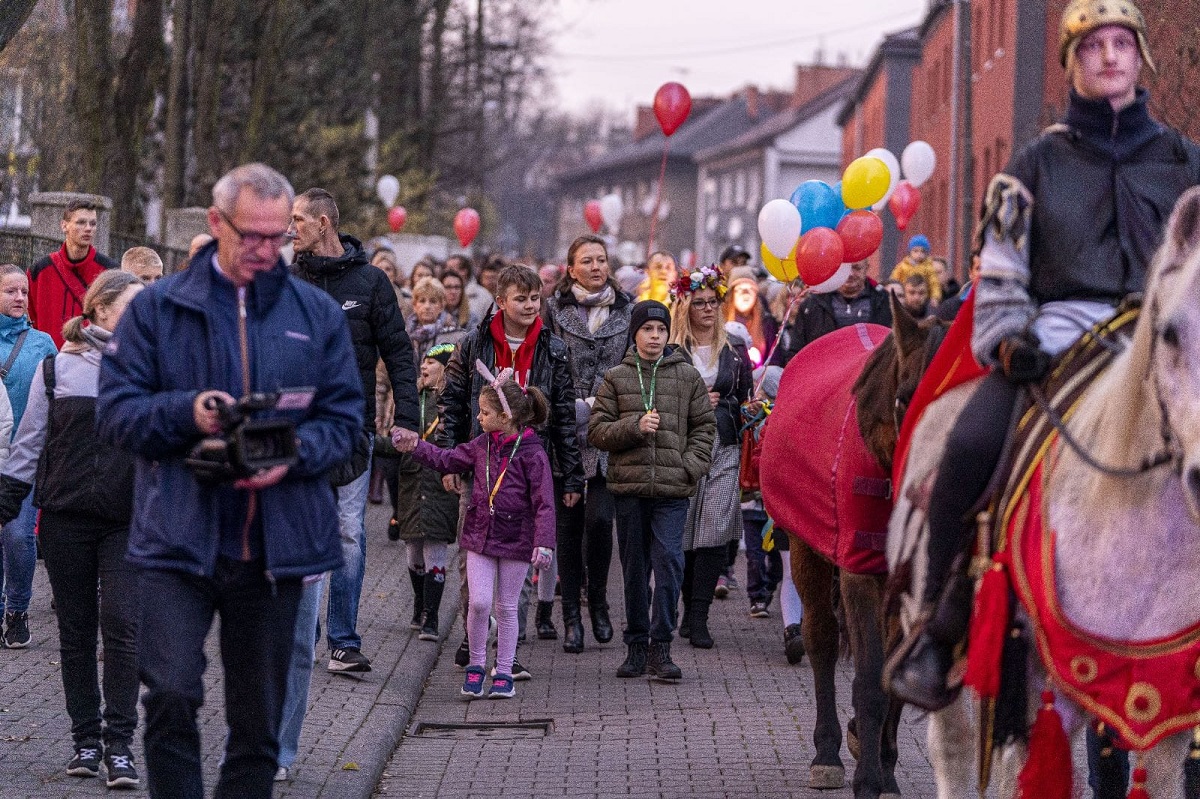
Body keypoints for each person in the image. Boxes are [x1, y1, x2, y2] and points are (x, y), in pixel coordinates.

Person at [889, 0, 1200, 716]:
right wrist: (1008, 337)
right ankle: (939, 626)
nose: (1110, 56)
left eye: (1123, 43)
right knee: (968, 444)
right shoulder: (1031, 165)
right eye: (1093, 47)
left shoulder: (1185, 160)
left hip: (1169, 343)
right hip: (1059, 337)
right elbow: (998, 268)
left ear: (1141, 57)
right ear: (1070, 65)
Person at [96, 163, 363, 799]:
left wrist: (292, 451)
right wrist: (187, 413)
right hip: (177, 538)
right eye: (254, 237)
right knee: (169, 695)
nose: (269, 252)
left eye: (281, 238)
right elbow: (115, 411)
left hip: (277, 546)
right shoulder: (157, 310)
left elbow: (347, 420)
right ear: (217, 225)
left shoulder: (317, 314)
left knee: (257, 725)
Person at [0, 270, 142, 786]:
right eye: (131, 306)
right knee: (76, 634)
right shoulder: (55, 370)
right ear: (99, 308)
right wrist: (7, 500)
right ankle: (86, 741)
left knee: (123, 626)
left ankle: (120, 746)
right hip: (65, 521)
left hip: (128, 520)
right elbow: (28, 444)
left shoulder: (149, 371)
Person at [290, 187, 418, 675]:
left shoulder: (371, 283)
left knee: (347, 533)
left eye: (299, 219)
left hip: (353, 429)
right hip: (298, 429)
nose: (290, 228)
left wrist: (406, 418)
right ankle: (303, 635)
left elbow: (399, 354)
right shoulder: (287, 282)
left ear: (324, 223)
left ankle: (342, 640)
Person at [440, 264, 583, 676]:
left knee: (515, 562)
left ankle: (508, 646)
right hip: (482, 462)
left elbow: (562, 415)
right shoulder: (475, 343)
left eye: (535, 298)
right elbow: (452, 400)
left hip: (526, 463)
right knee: (476, 553)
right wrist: (451, 455)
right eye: (521, 299)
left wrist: (570, 474)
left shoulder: (553, 349)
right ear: (500, 301)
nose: (529, 305)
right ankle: (474, 633)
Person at [393, 373, 556, 700]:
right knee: (479, 604)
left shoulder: (532, 453)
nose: (478, 417)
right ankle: (476, 666)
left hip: (516, 540)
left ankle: (505, 671)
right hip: (479, 535)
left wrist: (544, 542)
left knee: (507, 607)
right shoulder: (480, 445)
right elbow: (447, 458)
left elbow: (544, 501)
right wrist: (416, 446)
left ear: (505, 415)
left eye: (483, 412)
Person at [589, 300, 716, 680]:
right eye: (648, 329)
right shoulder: (616, 377)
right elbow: (597, 430)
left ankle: (662, 646)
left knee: (669, 563)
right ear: (636, 333)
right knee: (634, 569)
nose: (655, 336)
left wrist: (688, 466)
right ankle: (636, 646)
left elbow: (704, 428)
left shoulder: (687, 376)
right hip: (629, 489)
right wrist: (633, 426)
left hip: (672, 491)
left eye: (661, 330)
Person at [543, 234, 633, 652]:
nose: (596, 267)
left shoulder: (627, 309)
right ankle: (571, 618)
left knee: (600, 521)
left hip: (608, 433)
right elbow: (542, 362)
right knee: (568, 527)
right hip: (564, 433)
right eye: (587, 261)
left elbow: (634, 365)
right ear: (571, 267)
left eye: (602, 260)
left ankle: (598, 599)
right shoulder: (554, 311)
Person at [670, 267, 751, 649]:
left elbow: (744, 400)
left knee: (715, 529)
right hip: (681, 448)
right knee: (684, 530)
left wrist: (731, 405)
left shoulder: (733, 351)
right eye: (698, 303)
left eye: (711, 302)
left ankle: (700, 616)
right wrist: (691, 398)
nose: (706, 309)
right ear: (684, 306)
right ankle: (687, 607)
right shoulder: (670, 352)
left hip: (724, 446)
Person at [0, 263, 58, 649]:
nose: (20, 298)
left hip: (24, 458)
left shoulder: (42, 344)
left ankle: (18, 608)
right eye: (10, 291)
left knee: (19, 537)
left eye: (24, 291)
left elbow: (58, 398)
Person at [29, 200, 118, 347]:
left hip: (92, 359)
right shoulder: (39, 272)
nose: (88, 228)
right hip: (48, 361)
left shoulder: (110, 272)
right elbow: (28, 320)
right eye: (81, 222)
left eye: (93, 223)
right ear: (64, 225)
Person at [785, 260, 893, 359]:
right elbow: (796, 350)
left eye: (856, 268)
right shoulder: (812, 304)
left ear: (866, 268)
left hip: (870, 372)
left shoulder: (885, 301)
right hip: (825, 372)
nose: (850, 274)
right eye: (844, 269)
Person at [724, 266, 779, 367]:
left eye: (750, 289)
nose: (745, 293)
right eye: (740, 289)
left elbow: (775, 359)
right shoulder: (721, 322)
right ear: (732, 294)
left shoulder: (767, 322)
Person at [890, 234, 942, 304]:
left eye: (922, 251)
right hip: (905, 296)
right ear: (910, 252)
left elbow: (934, 284)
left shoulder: (929, 268)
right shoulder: (902, 266)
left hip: (923, 299)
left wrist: (935, 297)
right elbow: (894, 280)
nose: (919, 254)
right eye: (915, 251)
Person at [445, 254, 493, 321]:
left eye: (451, 268)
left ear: (464, 271)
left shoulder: (484, 295)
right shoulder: (441, 292)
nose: (447, 271)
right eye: (446, 268)